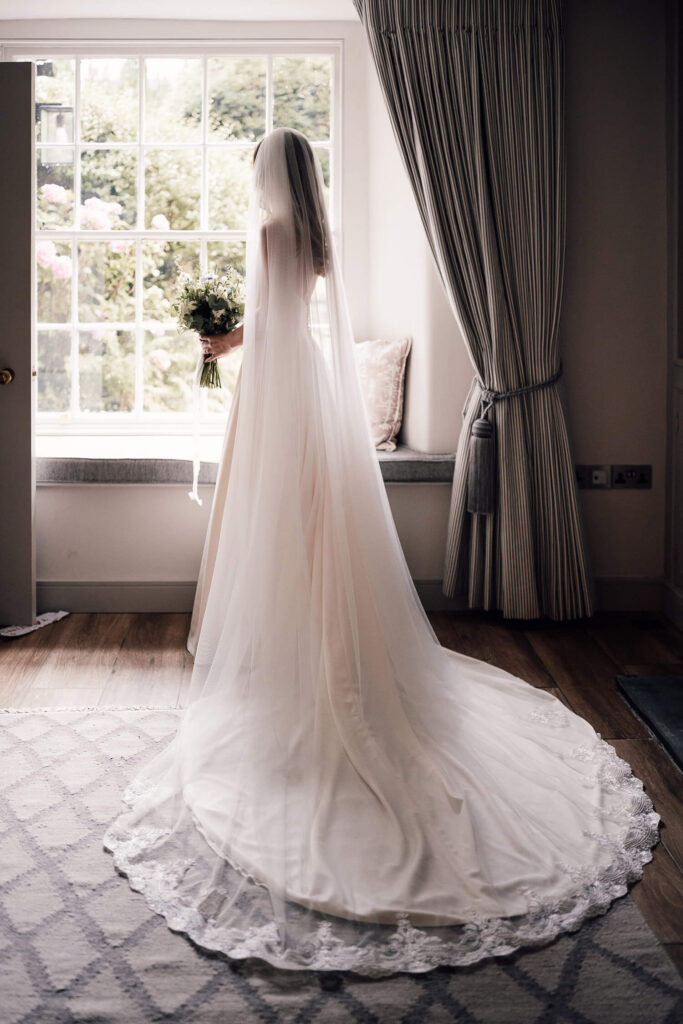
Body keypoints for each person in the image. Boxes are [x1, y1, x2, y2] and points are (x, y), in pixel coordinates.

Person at [104, 127, 659, 975]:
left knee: (269, 514)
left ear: (265, 174)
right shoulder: (318, 239)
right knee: (314, 519)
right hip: (311, 381)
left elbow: (258, 320)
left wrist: (218, 346)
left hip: (274, 383)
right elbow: (294, 315)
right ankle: (317, 633)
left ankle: (279, 647)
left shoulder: (265, 232)